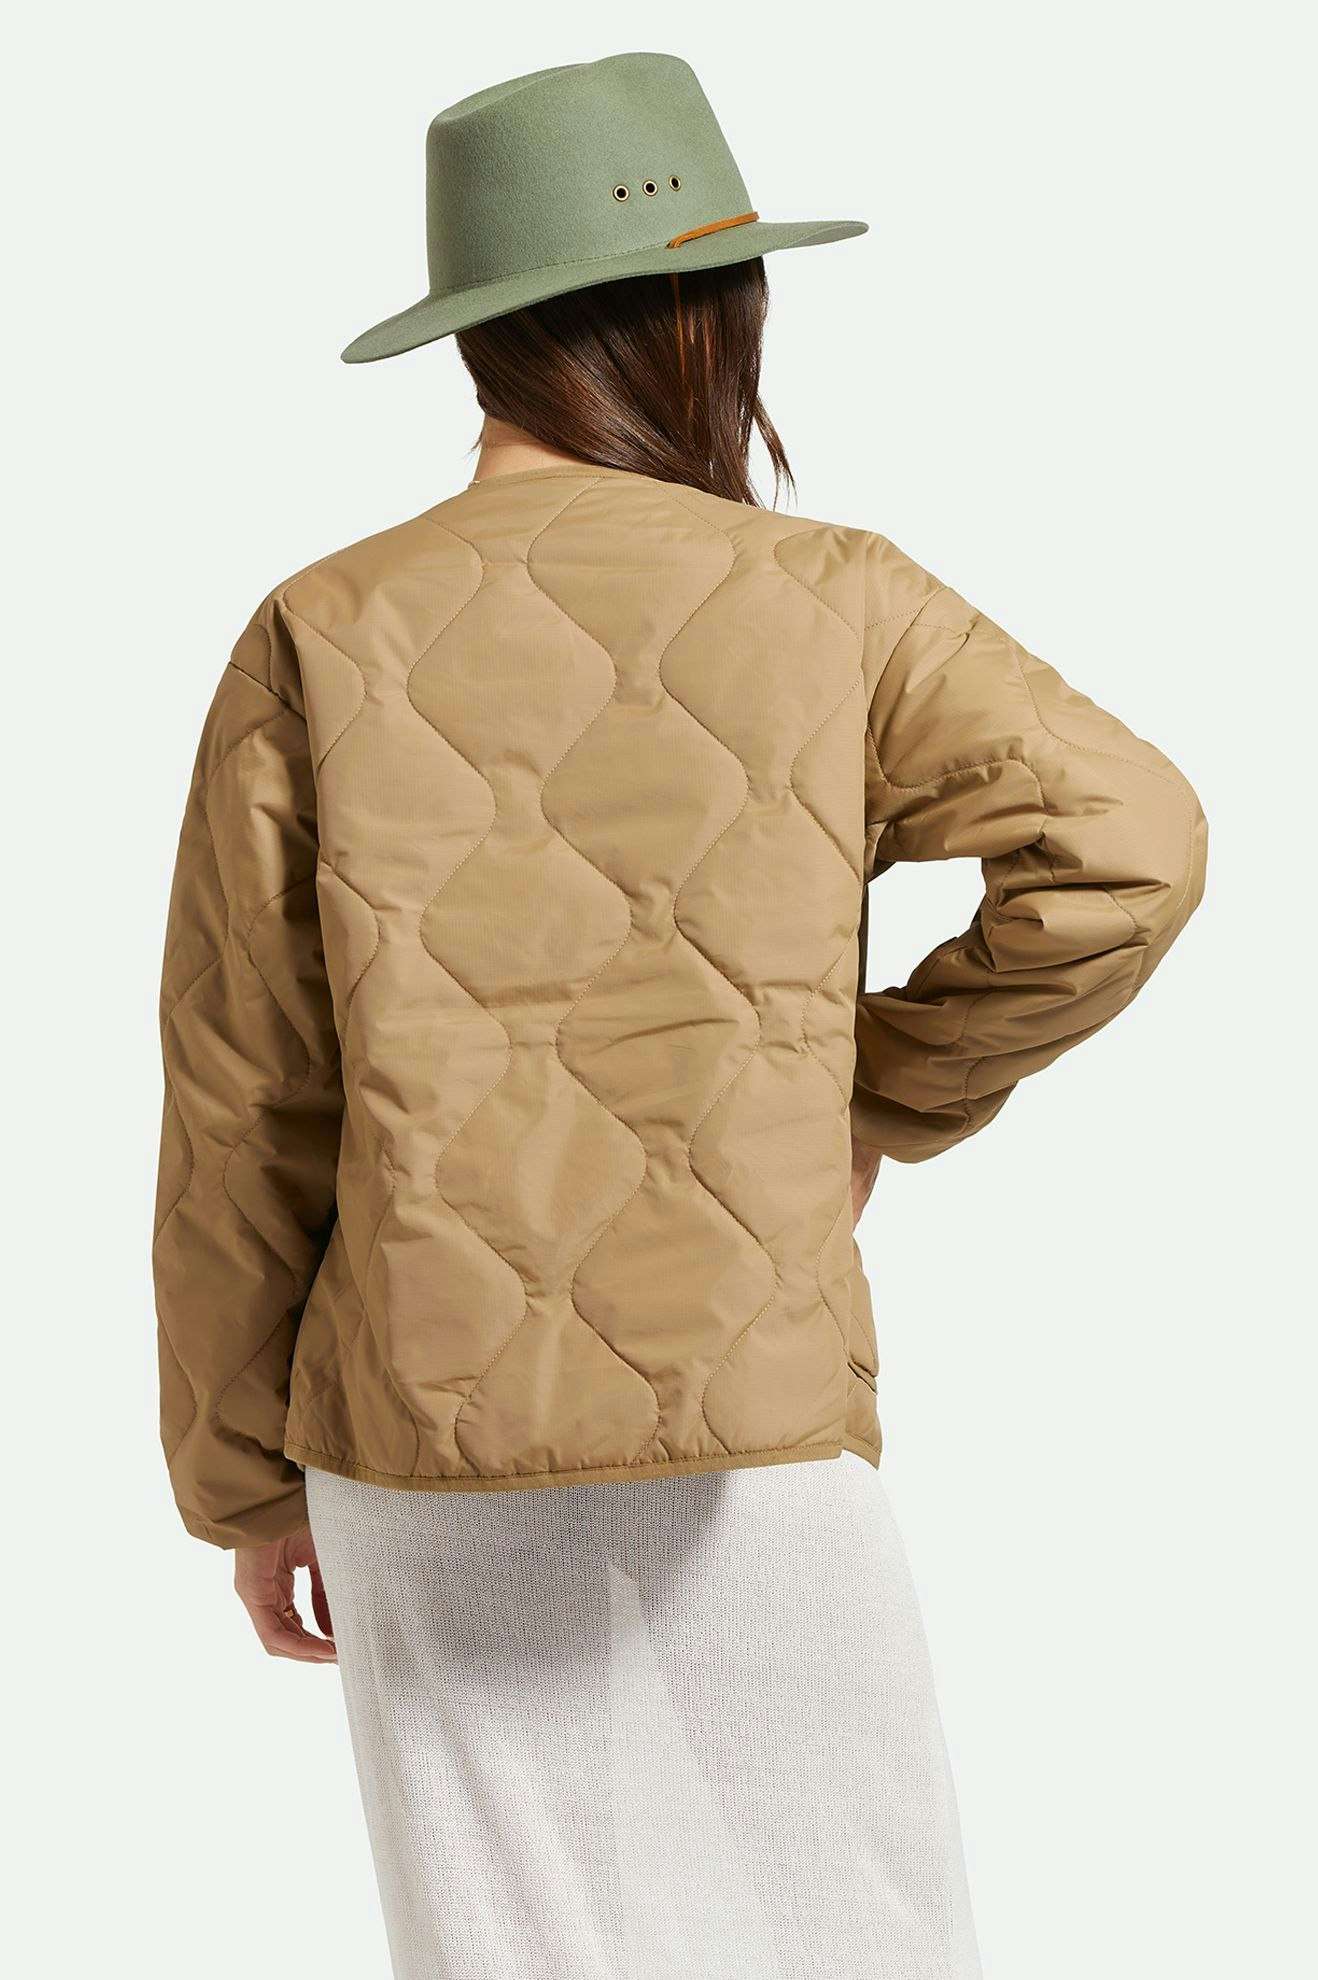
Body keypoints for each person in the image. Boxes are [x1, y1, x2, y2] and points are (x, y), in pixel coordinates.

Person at [153, 51, 1207, 1980]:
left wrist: (242, 1480)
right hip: (758, 1418)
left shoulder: (320, 627)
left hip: (415, 1436)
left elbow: (244, 1098)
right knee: (857, 1939)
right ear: (722, 315)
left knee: (508, 1952)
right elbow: (1127, 846)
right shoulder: (837, 596)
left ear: (477, 330)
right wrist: (876, 1099)